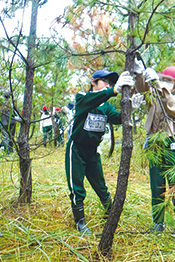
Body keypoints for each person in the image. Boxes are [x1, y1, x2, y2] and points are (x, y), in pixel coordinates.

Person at [65, 69, 139, 234]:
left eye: (111, 83)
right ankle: (80, 222)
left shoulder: (106, 107)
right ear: (93, 82)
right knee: (76, 186)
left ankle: (110, 213)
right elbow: (93, 99)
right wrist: (112, 91)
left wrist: (131, 109)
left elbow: (118, 118)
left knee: (100, 185)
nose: (108, 85)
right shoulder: (83, 97)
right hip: (76, 149)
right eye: (105, 81)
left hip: (93, 152)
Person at [135, 63, 175, 238]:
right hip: (154, 143)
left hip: (171, 142)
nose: (164, 82)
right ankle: (158, 222)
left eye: (168, 80)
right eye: (162, 78)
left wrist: (157, 84)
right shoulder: (154, 95)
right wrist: (140, 74)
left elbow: (170, 104)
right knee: (156, 184)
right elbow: (142, 89)